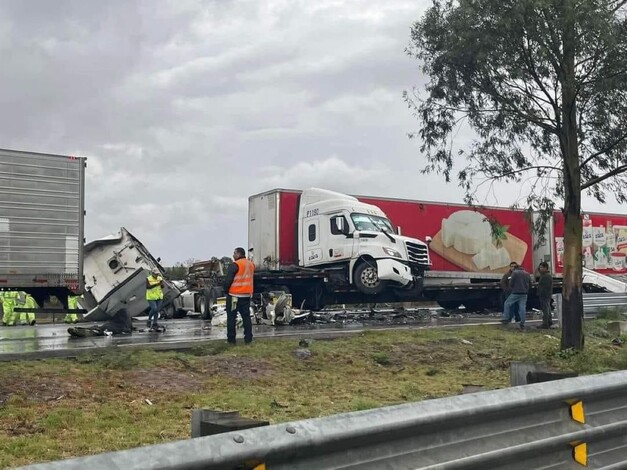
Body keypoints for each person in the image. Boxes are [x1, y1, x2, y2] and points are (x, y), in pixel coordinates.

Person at [223, 247, 254, 344]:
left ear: (239, 254)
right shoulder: (251, 264)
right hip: (246, 296)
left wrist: (226, 291)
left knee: (231, 318)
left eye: (234, 253)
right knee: (246, 318)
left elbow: (228, 280)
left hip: (234, 296)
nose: (233, 255)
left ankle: (231, 340)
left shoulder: (235, 265)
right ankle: (248, 339)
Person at [501, 265, 531, 329]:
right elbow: (530, 284)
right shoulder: (527, 274)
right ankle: (522, 321)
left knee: (507, 303)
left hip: (516, 292)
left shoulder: (515, 273)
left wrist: (512, 288)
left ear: (515, 268)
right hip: (524, 293)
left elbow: (511, 283)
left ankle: (506, 318)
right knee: (522, 307)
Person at [68, 308, 132, 338]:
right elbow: (127, 329)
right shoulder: (124, 325)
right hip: (108, 328)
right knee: (97, 331)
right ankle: (78, 331)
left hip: (107, 326)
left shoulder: (118, 321)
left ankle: (78, 330)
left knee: (97, 329)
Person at [537, 262, 554, 329]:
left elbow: (545, 287)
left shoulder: (546, 276)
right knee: (547, 308)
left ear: (545, 268)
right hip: (545, 294)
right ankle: (549, 321)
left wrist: (541, 292)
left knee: (545, 308)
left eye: (541, 267)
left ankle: (545, 323)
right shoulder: (544, 275)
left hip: (545, 294)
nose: (540, 269)